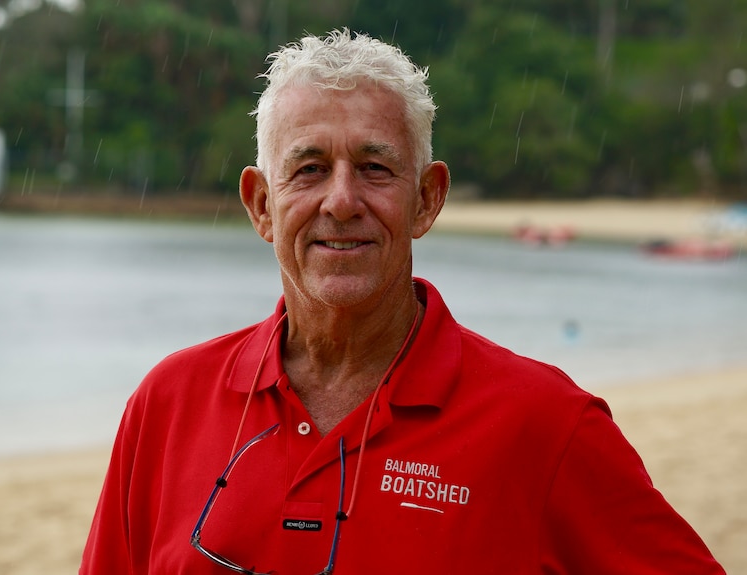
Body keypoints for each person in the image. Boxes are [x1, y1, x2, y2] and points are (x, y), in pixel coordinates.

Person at [80, 29, 725, 574]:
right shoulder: (166, 406)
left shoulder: (546, 426)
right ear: (260, 205)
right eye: (308, 169)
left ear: (426, 199)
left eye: (375, 168)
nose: (340, 201)